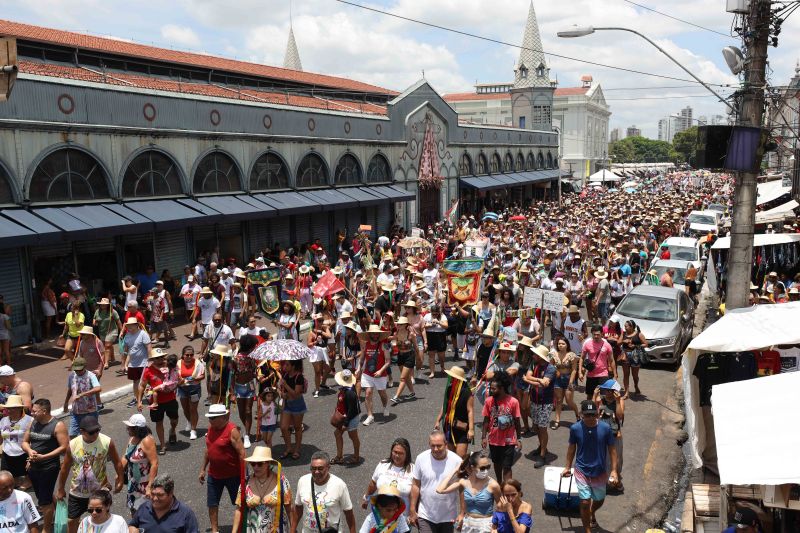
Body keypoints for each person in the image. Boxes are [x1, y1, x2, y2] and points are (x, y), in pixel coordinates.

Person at [55, 416, 124, 533]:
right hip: (77, 492)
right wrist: (60, 489)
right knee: (72, 521)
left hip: (99, 491)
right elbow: (65, 469)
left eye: (98, 430)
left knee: (100, 519)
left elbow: (117, 462)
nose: (95, 434)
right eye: (92, 432)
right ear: (81, 431)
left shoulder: (107, 442)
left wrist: (121, 480)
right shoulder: (72, 444)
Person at [561, 401, 618, 533]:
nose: (591, 418)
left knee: (599, 499)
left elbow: (612, 450)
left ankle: (591, 512)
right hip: (581, 470)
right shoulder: (575, 428)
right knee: (585, 502)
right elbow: (571, 448)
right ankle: (587, 529)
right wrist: (567, 467)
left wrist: (614, 471)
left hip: (599, 471)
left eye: (593, 415)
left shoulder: (605, 429)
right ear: (581, 415)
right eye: (587, 415)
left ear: (597, 414)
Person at [22, 398, 69, 532]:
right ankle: (59, 513)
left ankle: (46, 529)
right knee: (43, 495)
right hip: (33, 467)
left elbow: (64, 447)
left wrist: (44, 457)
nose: (32, 413)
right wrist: (30, 451)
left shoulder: (57, 425)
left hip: (48, 468)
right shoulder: (33, 422)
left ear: (44, 411)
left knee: (44, 502)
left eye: (35, 411)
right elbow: (25, 442)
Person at [200, 403, 246, 533]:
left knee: (239, 503)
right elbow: (208, 450)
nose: (210, 420)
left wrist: (244, 476)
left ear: (222, 417)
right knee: (212, 503)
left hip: (233, 475)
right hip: (214, 475)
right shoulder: (211, 428)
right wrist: (203, 469)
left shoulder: (232, 431)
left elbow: (242, 453)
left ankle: (242, 527)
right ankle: (215, 530)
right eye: (209, 418)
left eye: (212, 418)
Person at [409, 430, 463, 533]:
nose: (435, 449)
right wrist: (412, 509)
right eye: (432, 446)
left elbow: (462, 488)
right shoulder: (421, 458)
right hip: (425, 515)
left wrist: (462, 513)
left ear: (446, 444)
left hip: (448, 516)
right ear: (429, 444)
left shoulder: (456, 461)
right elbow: (416, 485)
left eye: (439, 446)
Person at [435, 450, 501, 533]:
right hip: (467, 523)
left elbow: (501, 506)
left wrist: (495, 526)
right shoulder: (464, 482)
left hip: (486, 524)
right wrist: (455, 471)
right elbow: (440, 490)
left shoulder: (493, 485)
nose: (486, 471)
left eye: (488, 467)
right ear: (473, 467)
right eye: (482, 468)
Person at [291, 451, 356, 533]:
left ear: (328, 468)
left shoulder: (339, 485)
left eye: (320, 468)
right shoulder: (303, 481)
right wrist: (292, 530)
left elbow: (348, 513)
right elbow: (298, 508)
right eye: (313, 468)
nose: (316, 472)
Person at [233, 446, 293, 533]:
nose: (256, 467)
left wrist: (293, 529)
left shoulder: (281, 481)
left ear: (268, 463)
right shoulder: (245, 483)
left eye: (260, 464)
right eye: (253, 464)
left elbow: (289, 509)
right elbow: (238, 509)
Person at [481, 372, 522, 482]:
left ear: (502, 388)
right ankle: (499, 483)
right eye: (490, 388)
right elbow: (486, 420)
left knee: (507, 466)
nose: (490, 391)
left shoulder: (513, 402)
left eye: (493, 389)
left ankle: (508, 487)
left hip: (509, 441)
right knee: (497, 464)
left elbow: (517, 422)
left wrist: (519, 439)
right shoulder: (489, 401)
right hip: (494, 440)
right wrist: (483, 437)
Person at [137, 349, 179, 454]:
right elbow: (142, 385)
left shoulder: (171, 366)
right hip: (156, 400)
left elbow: (178, 377)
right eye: (157, 358)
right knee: (158, 422)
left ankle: (172, 430)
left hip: (171, 398)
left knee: (174, 420)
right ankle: (163, 445)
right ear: (153, 359)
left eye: (161, 357)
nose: (160, 359)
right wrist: (139, 401)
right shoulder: (148, 370)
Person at [360, 438, 415, 518]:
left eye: (401, 453)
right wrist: (366, 497)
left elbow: (415, 494)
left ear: (407, 454)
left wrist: (413, 513)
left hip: (402, 517)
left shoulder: (413, 470)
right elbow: (373, 483)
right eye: (395, 452)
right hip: (380, 515)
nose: (397, 455)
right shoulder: (383, 464)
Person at [129, 474, 200, 533]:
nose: (155, 498)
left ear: (171, 493)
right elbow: (132, 525)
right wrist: (132, 529)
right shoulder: (144, 508)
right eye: (153, 494)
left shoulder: (185, 514)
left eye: (160, 495)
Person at [523, 345, 556, 469]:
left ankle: (542, 455)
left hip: (545, 403)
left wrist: (532, 380)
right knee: (536, 427)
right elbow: (529, 377)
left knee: (542, 428)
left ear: (540, 356)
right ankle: (542, 446)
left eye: (535, 354)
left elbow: (545, 384)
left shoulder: (550, 368)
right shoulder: (534, 364)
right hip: (535, 401)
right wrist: (538, 380)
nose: (533, 356)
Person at [120, 414, 158, 516]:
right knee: (134, 511)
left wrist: (149, 487)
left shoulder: (147, 441)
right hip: (133, 483)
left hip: (144, 484)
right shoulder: (133, 438)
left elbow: (154, 463)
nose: (127, 429)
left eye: (130, 427)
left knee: (146, 514)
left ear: (136, 429)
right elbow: (126, 456)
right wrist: (118, 474)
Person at [433, 366, 474, 459]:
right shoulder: (449, 389)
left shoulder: (467, 393)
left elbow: (470, 411)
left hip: (462, 428)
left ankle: (465, 471)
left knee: (460, 457)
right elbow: (444, 406)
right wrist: (438, 420)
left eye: (452, 377)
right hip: (449, 427)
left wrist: (471, 430)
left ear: (457, 379)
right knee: (450, 457)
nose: (450, 378)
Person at [594, 379, 625, 492]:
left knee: (616, 460)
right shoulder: (600, 400)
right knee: (601, 458)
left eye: (609, 390)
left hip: (614, 435)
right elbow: (593, 414)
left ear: (614, 391)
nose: (606, 392)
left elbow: (620, 416)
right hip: (601, 434)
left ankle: (617, 481)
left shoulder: (620, 400)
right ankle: (602, 482)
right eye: (605, 390)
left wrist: (617, 401)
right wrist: (594, 396)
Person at [357, 325, 391, 426]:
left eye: (377, 333)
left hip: (381, 374)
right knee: (368, 393)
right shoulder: (365, 345)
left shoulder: (384, 345)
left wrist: (380, 371)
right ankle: (370, 416)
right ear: (369, 334)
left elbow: (388, 361)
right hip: (368, 373)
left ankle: (385, 406)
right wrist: (359, 369)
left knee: (382, 394)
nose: (375, 335)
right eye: (373, 333)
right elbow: (362, 359)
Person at [232, 334, 259, 449]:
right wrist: (232, 393)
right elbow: (232, 376)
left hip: (250, 386)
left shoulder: (252, 357)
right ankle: (246, 429)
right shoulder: (235, 359)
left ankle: (247, 434)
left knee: (248, 410)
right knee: (241, 412)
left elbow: (254, 372)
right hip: (238, 387)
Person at [63, 357, 102, 438]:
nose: (77, 372)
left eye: (79, 370)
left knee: (90, 435)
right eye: (76, 370)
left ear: (85, 367)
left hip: (90, 412)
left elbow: (98, 388)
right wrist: (66, 402)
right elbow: (70, 390)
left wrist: (82, 394)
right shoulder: (71, 376)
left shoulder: (91, 376)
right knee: (72, 435)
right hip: (76, 411)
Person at [0, 395, 33, 489]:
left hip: (22, 453)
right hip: (7, 452)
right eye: (8, 408)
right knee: (6, 474)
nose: (9, 411)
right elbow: (1, 440)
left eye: (12, 408)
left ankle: (28, 481)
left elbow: (33, 440)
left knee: (27, 473)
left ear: (19, 409)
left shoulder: (29, 421)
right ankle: (16, 481)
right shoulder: (3, 421)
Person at [278, 360, 307, 461]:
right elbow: (281, 390)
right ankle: (289, 447)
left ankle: (297, 449)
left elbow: (295, 394)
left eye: (287, 365)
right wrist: (282, 393)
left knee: (297, 427)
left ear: (293, 366)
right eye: (284, 364)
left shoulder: (299, 377)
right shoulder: (285, 375)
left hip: (297, 405)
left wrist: (285, 385)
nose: (284, 367)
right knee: (283, 427)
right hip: (287, 404)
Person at [331, 369, 361, 465]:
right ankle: (339, 456)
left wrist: (346, 423)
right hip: (347, 416)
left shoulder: (350, 393)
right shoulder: (346, 389)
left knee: (353, 436)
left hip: (350, 418)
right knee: (337, 434)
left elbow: (352, 410)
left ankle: (356, 457)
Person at [121, 317, 152, 409]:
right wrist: (124, 364)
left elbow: (149, 348)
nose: (129, 327)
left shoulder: (143, 334)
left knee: (148, 381)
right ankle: (136, 398)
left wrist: (150, 361)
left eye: (131, 325)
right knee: (135, 382)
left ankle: (152, 396)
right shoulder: (127, 336)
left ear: (136, 325)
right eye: (128, 325)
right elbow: (126, 351)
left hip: (144, 362)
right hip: (133, 364)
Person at [550, 336, 580, 428]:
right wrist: (556, 370)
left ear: (567, 345)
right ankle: (557, 420)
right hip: (558, 379)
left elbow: (574, 370)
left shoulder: (572, 355)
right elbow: (551, 366)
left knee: (569, 401)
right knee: (559, 400)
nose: (561, 345)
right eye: (559, 344)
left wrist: (571, 382)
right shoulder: (554, 354)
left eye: (563, 344)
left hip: (568, 378)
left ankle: (577, 414)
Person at [579, 325, 615, 399]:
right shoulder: (587, 344)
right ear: (591, 334)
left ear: (602, 334)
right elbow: (582, 358)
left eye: (598, 334)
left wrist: (615, 374)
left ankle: (601, 410)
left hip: (603, 374)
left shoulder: (607, 345)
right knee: (589, 396)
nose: (596, 336)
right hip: (591, 374)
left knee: (604, 396)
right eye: (594, 334)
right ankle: (590, 410)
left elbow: (611, 360)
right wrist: (580, 372)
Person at [176, 345, 204, 440]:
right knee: (185, 408)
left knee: (193, 409)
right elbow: (174, 375)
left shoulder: (198, 363)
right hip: (182, 388)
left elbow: (203, 376)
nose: (189, 357)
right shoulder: (178, 363)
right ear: (183, 355)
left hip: (194, 388)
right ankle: (189, 420)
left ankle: (193, 430)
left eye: (191, 355)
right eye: (187, 355)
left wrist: (195, 378)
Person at [390, 316, 417, 403]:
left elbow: (416, 346)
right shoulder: (396, 333)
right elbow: (391, 339)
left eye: (401, 324)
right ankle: (412, 392)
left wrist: (419, 358)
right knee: (406, 377)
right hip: (400, 356)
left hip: (410, 356)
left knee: (402, 378)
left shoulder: (411, 334)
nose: (398, 325)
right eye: (398, 324)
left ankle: (396, 396)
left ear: (405, 325)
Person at [620, 320, 647, 398]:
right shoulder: (623, 333)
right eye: (624, 326)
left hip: (635, 356)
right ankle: (626, 393)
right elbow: (618, 342)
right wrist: (623, 341)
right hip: (625, 355)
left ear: (631, 327)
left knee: (635, 375)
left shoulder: (639, 334)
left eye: (626, 326)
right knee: (626, 375)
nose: (625, 328)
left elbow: (646, 344)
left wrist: (635, 346)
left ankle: (636, 386)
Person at [93, 298, 122, 370]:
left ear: (107, 305)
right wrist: (94, 322)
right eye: (102, 304)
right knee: (107, 345)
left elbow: (118, 321)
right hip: (102, 331)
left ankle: (106, 363)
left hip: (112, 331)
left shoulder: (112, 312)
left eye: (104, 304)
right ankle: (112, 358)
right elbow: (94, 318)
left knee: (107, 345)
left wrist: (122, 331)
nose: (103, 305)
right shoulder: (97, 311)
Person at [308, 314, 332, 398]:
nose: (320, 322)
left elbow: (329, 336)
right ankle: (317, 389)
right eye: (318, 320)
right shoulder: (312, 332)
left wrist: (321, 332)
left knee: (328, 368)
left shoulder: (325, 328)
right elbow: (308, 344)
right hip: (316, 351)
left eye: (321, 320)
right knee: (317, 372)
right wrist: (315, 342)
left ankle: (322, 384)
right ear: (315, 321)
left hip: (324, 350)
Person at [423, 305, 448, 379]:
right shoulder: (427, 316)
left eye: (436, 314)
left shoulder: (442, 316)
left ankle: (442, 367)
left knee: (441, 355)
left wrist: (438, 322)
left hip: (440, 335)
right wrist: (430, 325)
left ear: (438, 312)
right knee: (431, 354)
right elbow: (423, 326)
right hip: (430, 335)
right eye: (433, 314)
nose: (434, 315)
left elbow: (446, 326)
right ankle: (432, 372)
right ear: (430, 312)